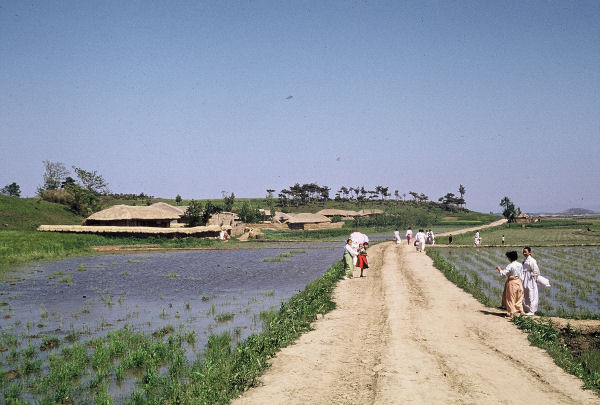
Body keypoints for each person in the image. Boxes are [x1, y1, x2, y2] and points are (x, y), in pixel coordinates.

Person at [495, 251, 526, 319]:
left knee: (510, 298)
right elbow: (521, 275)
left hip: (512, 282)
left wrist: (499, 269)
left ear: (509, 258)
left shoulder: (510, 265)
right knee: (519, 297)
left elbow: (503, 274)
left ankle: (511, 314)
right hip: (519, 281)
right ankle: (521, 311)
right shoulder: (520, 264)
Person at [522, 246, 540, 315]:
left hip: (530, 278)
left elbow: (536, 271)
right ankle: (526, 309)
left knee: (531, 294)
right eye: (523, 252)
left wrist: (532, 276)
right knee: (525, 293)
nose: (524, 253)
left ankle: (532, 311)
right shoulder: (524, 260)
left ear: (529, 252)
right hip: (524, 278)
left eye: (525, 252)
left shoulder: (532, 260)